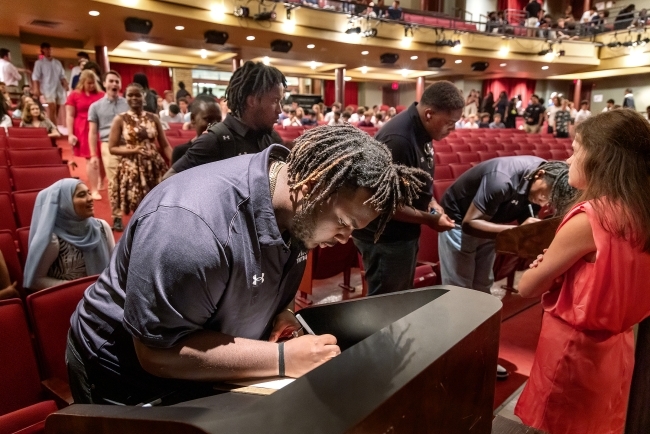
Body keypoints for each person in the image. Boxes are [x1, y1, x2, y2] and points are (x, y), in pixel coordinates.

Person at [66, 125, 428, 405]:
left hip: (203, 359)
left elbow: (278, 266)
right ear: (313, 186)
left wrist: (281, 310)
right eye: (345, 224)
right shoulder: (192, 228)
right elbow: (156, 352)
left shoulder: (298, 208)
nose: (344, 240)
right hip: (123, 371)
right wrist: (282, 358)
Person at [514, 109, 650, 434]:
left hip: (575, 350)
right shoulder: (640, 210)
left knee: (562, 424)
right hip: (618, 346)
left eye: (576, 149)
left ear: (600, 158)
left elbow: (528, 287)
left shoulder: (592, 218)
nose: (569, 157)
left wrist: (545, 269)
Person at [352, 81, 462, 296]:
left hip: (403, 232)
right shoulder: (399, 139)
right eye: (449, 122)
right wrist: (429, 219)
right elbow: (382, 203)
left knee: (400, 296)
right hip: (384, 237)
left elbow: (421, 185)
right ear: (429, 113)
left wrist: (432, 206)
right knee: (387, 303)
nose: (453, 128)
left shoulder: (422, 130)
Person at [438, 157, 574, 293]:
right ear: (540, 175)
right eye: (544, 196)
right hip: (458, 221)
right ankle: (459, 314)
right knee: (459, 286)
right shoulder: (501, 180)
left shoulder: (544, 178)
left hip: (490, 221)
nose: (543, 203)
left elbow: (526, 211)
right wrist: (517, 231)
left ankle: (482, 314)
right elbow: (469, 224)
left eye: (549, 201)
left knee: (483, 284)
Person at [166, 61, 285, 178]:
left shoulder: (272, 137)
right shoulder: (214, 141)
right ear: (252, 101)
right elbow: (167, 181)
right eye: (275, 101)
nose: (279, 110)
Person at [23, 179, 114, 291]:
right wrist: (79, 288)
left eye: (89, 193)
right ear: (64, 203)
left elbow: (114, 266)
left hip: (104, 295)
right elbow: (35, 281)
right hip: (71, 299)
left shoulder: (102, 227)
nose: (90, 199)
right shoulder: (52, 239)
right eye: (81, 195)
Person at [107, 83, 172, 218]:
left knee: (156, 201)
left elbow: (164, 145)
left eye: (137, 95)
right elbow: (112, 148)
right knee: (137, 204)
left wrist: (175, 162)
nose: (134, 98)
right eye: (130, 95)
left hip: (153, 165)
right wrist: (134, 150)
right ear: (125, 98)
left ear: (144, 97)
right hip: (132, 167)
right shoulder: (120, 119)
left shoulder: (153, 117)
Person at [88, 70, 130, 231]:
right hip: (107, 145)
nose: (114, 84)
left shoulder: (127, 103)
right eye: (111, 81)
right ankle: (117, 216)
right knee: (114, 181)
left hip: (128, 145)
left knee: (132, 180)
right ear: (104, 84)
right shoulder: (95, 106)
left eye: (117, 81)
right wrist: (93, 155)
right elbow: (92, 132)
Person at [65, 70, 105, 200]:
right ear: (83, 82)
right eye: (89, 83)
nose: (91, 86)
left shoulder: (101, 95)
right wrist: (70, 134)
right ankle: (93, 189)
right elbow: (70, 115)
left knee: (103, 157)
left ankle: (101, 179)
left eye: (93, 83)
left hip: (99, 127)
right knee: (90, 158)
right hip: (82, 128)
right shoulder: (74, 95)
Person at [171, 99, 222, 164]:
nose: (215, 125)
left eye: (218, 120)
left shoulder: (224, 149)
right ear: (193, 119)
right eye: (208, 119)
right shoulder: (181, 152)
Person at [31, 42, 68, 123]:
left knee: (57, 109)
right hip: (47, 88)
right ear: (42, 50)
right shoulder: (39, 63)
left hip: (58, 88)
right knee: (52, 108)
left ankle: (53, 125)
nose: (48, 51)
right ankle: (53, 128)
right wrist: (36, 89)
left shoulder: (57, 62)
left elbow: (62, 75)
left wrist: (65, 84)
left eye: (49, 49)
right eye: (46, 49)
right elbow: (35, 77)